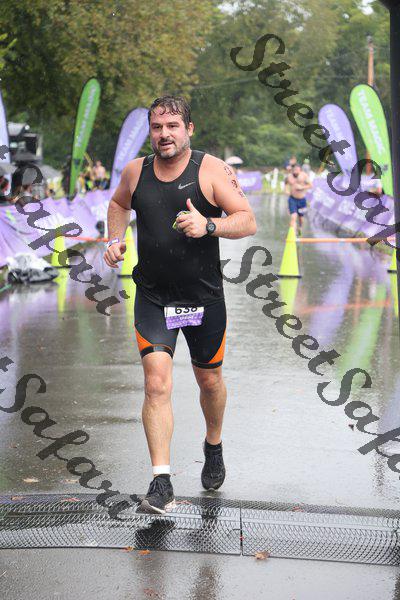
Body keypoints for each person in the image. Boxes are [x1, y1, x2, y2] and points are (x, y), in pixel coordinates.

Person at [104, 95, 257, 514]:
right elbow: (117, 204)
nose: (164, 134)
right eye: (157, 127)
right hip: (153, 297)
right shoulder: (135, 172)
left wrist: (209, 225)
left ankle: (213, 445)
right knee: (156, 384)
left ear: (189, 129)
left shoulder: (211, 170)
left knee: (210, 382)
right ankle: (161, 482)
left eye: (172, 126)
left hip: (203, 297)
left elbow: (247, 220)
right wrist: (114, 239)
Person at [285, 163, 312, 235]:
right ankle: (292, 234)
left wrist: (302, 187)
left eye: (297, 170)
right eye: (294, 170)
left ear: (300, 170)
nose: (295, 172)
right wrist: (286, 190)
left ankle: (300, 229)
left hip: (302, 200)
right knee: (293, 217)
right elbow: (286, 184)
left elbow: (310, 185)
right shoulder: (289, 176)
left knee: (301, 219)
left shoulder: (304, 176)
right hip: (292, 199)